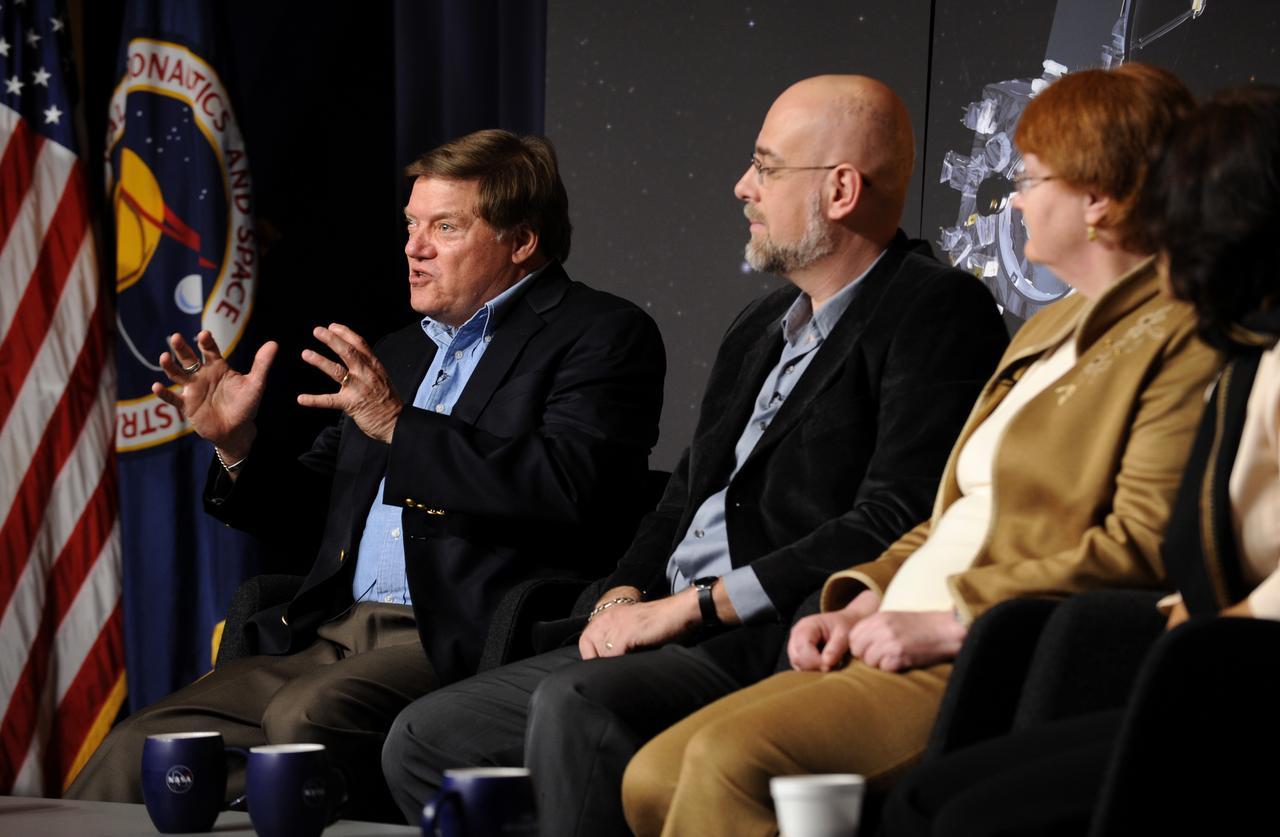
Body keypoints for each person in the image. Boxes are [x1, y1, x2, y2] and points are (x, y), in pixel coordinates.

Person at [381, 74, 1010, 835]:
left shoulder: (934, 307)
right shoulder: (761, 322)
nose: (743, 186)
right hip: (669, 621)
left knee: (575, 707)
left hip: (770, 633)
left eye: (768, 168)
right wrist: (624, 590)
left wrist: (700, 603)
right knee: (422, 740)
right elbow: (682, 498)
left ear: (841, 189)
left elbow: (896, 515)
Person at [620, 63, 1220, 837]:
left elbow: (1141, 544)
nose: (1014, 198)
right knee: (650, 775)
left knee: (727, 767)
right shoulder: (1044, 328)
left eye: (1031, 178)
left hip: (991, 645)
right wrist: (863, 590)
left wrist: (947, 616)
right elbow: (948, 512)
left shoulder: (1185, 333)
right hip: (896, 619)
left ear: (1099, 199)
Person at [66, 130, 666, 819]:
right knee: (138, 746)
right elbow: (315, 510)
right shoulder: (400, 353)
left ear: (521, 240)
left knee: (304, 720)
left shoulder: (601, 334)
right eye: (412, 224)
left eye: (445, 226)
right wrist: (237, 446)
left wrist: (400, 427)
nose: (414, 247)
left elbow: (573, 487)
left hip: (457, 634)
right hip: (331, 629)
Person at [878, 83, 1280, 837]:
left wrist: (1206, 635)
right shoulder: (1247, 351)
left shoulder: (1232, 353)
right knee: (929, 802)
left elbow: (1167, 546)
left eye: (1182, 205)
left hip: (1237, 677)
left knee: (968, 816)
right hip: (1193, 665)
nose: (1157, 228)